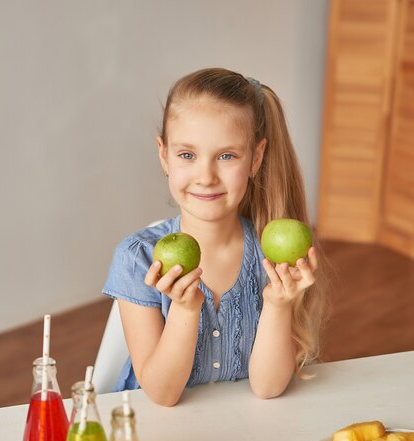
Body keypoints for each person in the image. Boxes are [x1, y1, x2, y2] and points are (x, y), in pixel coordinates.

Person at [103, 67, 326, 406]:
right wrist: (184, 309)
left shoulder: (272, 259)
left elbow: (268, 388)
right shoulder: (138, 258)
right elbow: (163, 395)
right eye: (187, 155)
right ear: (164, 155)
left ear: (257, 157)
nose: (205, 176)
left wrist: (278, 304)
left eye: (226, 156)